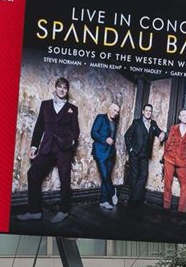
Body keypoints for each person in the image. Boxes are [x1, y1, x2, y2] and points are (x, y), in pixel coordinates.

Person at [18, 77, 80, 224]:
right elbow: (39, 127)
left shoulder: (72, 108)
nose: (62, 90)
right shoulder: (45, 105)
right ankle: (34, 212)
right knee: (33, 174)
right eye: (60, 87)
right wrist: (34, 146)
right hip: (47, 147)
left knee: (64, 179)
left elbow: (75, 130)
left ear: (67, 90)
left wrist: (71, 142)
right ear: (56, 87)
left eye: (65, 88)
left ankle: (64, 210)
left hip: (64, 149)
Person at [161, 109, 186, 214]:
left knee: (185, 185)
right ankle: (166, 207)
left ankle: (182, 210)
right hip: (170, 158)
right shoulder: (174, 128)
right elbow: (168, 142)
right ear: (179, 117)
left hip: (182, 160)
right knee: (168, 183)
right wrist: (163, 156)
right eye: (183, 115)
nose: (185, 117)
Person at [123, 103, 162, 207]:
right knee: (134, 176)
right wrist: (130, 149)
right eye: (147, 111)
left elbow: (158, 131)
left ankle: (135, 199)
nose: (148, 112)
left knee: (144, 175)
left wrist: (162, 133)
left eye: (150, 111)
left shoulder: (153, 124)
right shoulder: (136, 123)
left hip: (145, 155)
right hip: (135, 154)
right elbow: (127, 136)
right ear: (143, 112)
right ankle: (133, 200)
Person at [90, 102, 120, 210]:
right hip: (100, 152)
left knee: (105, 177)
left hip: (110, 153)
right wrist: (105, 139)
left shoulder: (115, 122)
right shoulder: (101, 118)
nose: (116, 113)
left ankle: (103, 201)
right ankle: (112, 192)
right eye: (114, 110)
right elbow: (93, 133)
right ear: (109, 109)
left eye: (117, 112)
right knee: (105, 174)